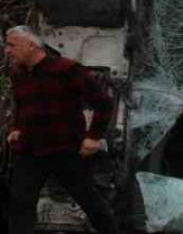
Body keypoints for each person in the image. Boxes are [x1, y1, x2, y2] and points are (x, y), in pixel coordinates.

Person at [3, 26, 118, 234]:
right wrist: (17, 128)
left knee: (91, 201)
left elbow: (104, 103)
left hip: (65, 149)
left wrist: (93, 137)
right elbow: (22, 106)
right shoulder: (19, 75)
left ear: (31, 45)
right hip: (30, 150)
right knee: (20, 204)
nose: (7, 51)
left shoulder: (67, 70)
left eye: (12, 45)